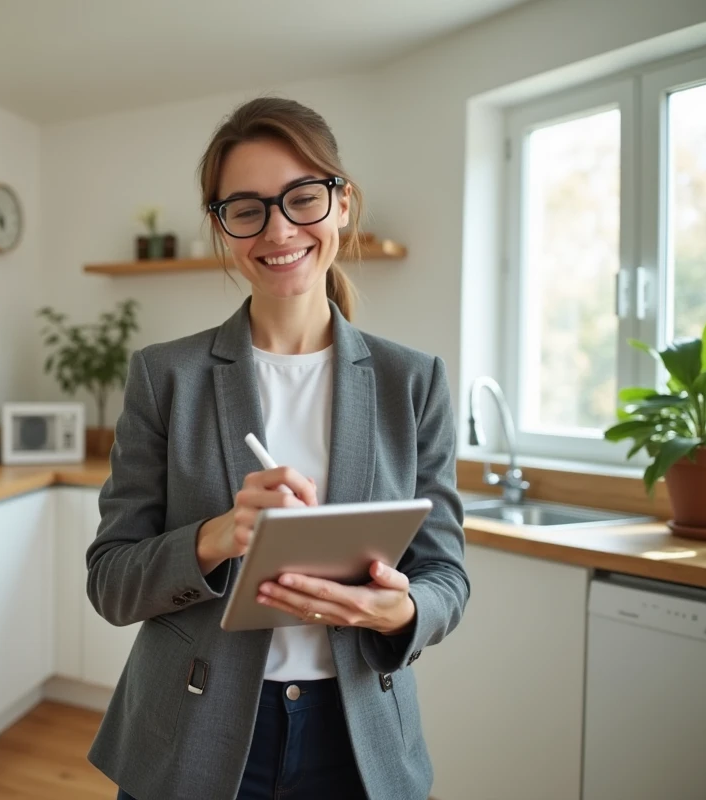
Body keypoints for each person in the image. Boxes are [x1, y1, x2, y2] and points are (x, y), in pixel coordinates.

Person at [84, 96, 469, 800]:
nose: (278, 229)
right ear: (222, 227)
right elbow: (110, 581)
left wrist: (403, 612)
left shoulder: (412, 381)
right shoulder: (164, 377)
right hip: (192, 729)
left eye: (301, 198)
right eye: (247, 208)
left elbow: (446, 576)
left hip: (354, 738)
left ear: (342, 203)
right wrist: (217, 536)